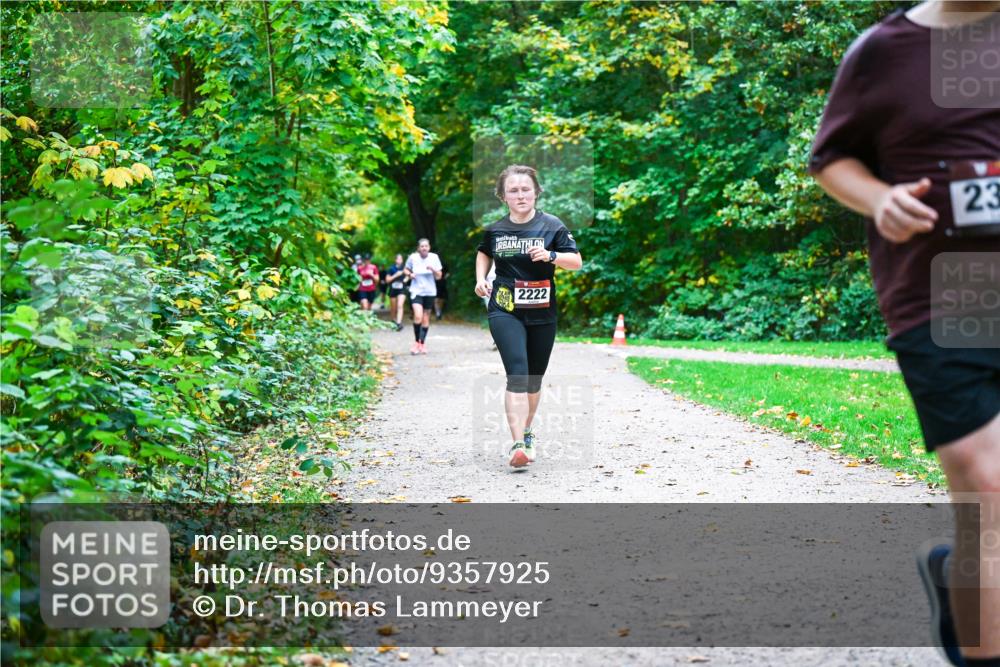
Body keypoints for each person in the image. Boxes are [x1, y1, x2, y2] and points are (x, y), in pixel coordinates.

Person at [809, 3, 999, 665]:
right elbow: (832, 157)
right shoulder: (884, 51)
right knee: (989, 486)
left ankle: (962, 579)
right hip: (938, 293)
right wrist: (878, 198)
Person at [475, 164, 582, 469]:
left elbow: (576, 261)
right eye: (513, 190)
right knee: (518, 373)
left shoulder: (552, 226)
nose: (520, 195)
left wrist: (551, 256)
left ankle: (527, 430)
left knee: (534, 378)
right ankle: (517, 444)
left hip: (542, 311)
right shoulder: (495, 229)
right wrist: (481, 278)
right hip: (504, 307)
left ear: (536, 192)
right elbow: (484, 252)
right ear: (503, 196)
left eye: (525, 189)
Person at [404, 239, 443, 354]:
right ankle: (416, 342)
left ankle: (422, 344)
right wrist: (410, 274)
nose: (424, 248)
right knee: (418, 316)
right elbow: (405, 270)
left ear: (429, 247)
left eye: (426, 246)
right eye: (422, 246)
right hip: (416, 291)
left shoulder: (434, 258)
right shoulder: (413, 258)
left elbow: (439, 276)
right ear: (418, 248)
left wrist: (433, 269)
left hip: (430, 292)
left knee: (426, 317)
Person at [385, 253, 407, 332]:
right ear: (395, 260)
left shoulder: (405, 268)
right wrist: (396, 275)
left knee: (400, 305)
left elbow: (409, 275)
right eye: (398, 259)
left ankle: (399, 323)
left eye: (401, 259)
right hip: (393, 289)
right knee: (393, 307)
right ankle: (393, 321)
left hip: (402, 289)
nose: (399, 260)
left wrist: (406, 280)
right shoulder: (391, 269)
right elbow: (387, 280)